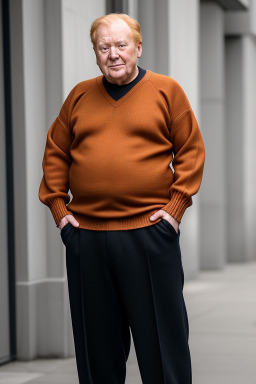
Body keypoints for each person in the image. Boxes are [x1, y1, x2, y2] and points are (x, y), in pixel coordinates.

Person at [38, 12, 205, 384]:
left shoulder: (166, 91)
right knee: (97, 356)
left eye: (121, 45)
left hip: (149, 235)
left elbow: (191, 151)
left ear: (138, 48)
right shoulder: (80, 95)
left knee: (163, 348)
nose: (113, 54)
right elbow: (55, 153)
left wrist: (174, 211)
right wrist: (60, 212)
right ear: (96, 53)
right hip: (87, 239)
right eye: (104, 47)